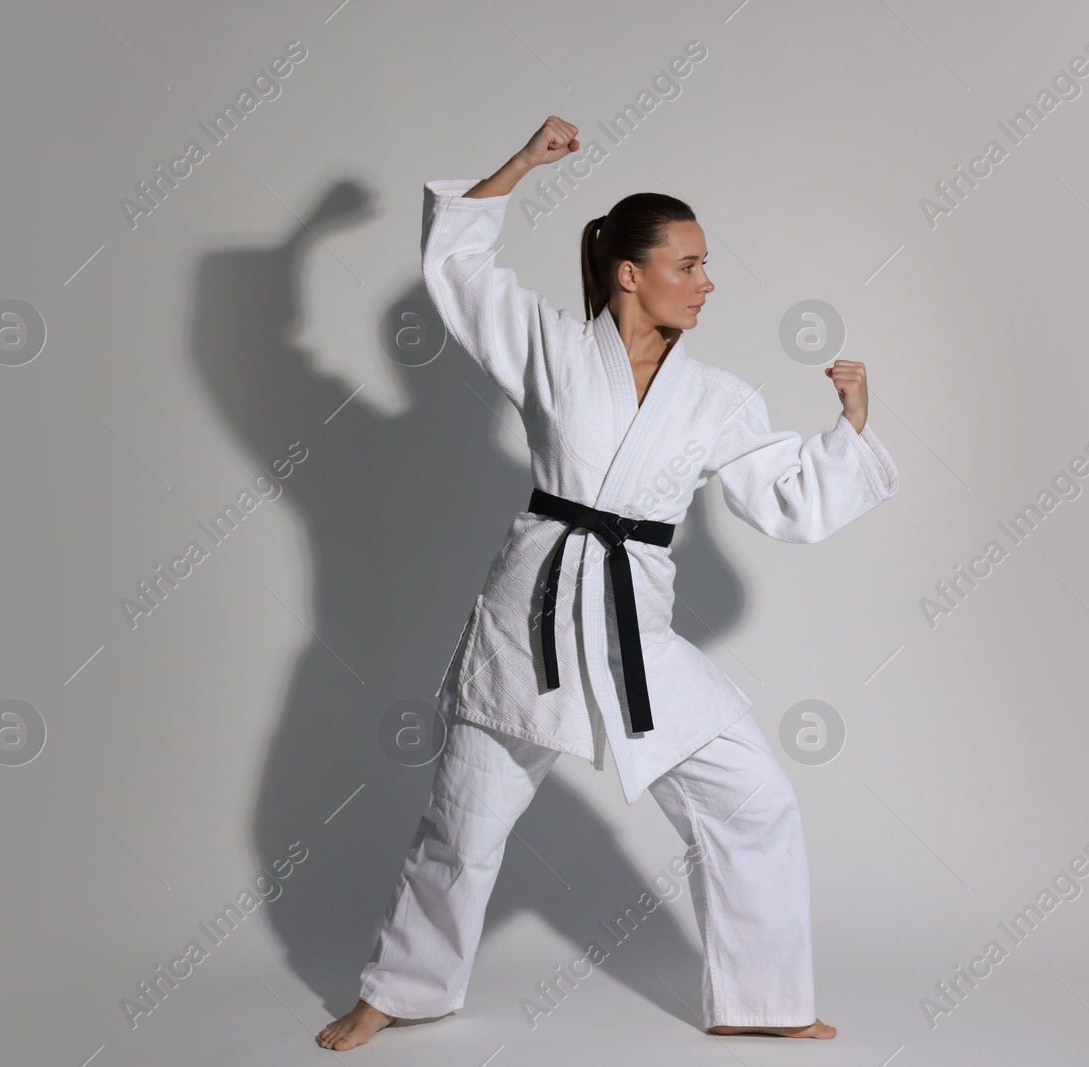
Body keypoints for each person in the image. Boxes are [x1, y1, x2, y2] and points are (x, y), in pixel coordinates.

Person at [318, 116, 899, 1051]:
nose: (709, 282)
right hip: (530, 625)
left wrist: (852, 428)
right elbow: (460, 274)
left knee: (753, 798)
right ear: (631, 272)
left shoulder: (717, 399)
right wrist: (520, 162)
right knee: (462, 826)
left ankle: (764, 997)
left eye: (707, 265)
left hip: (639, 640)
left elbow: (786, 498)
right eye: (690, 264)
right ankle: (401, 990)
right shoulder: (551, 346)